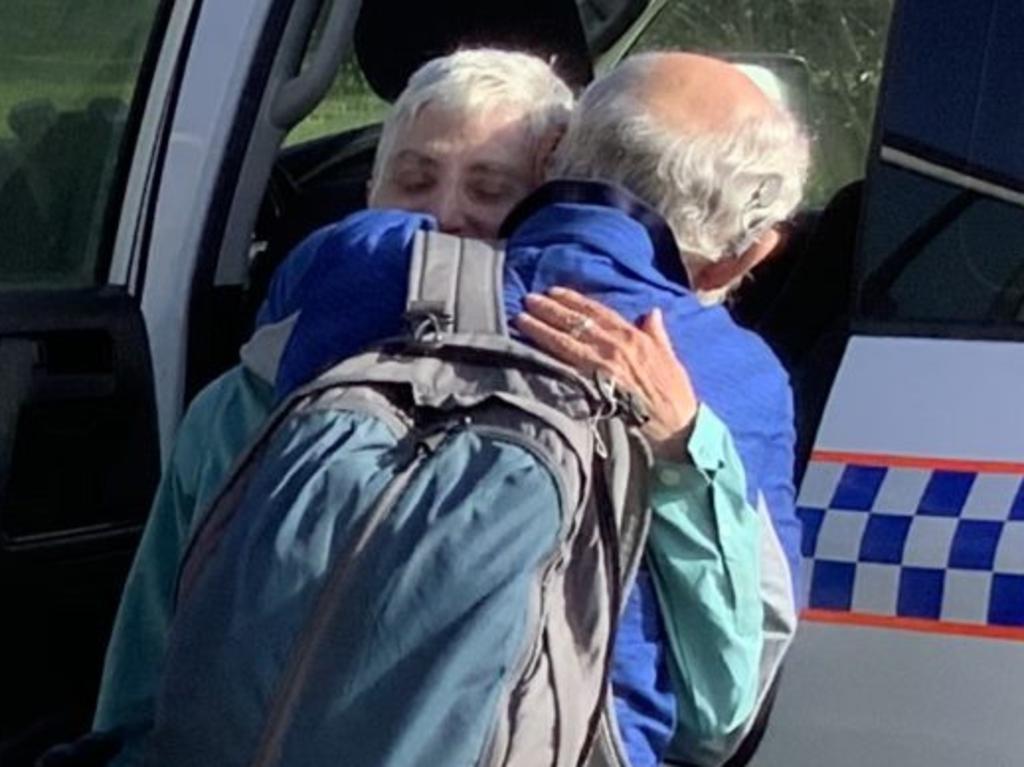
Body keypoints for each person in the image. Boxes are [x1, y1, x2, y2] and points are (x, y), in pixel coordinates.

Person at [93, 49, 792, 767]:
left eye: (490, 191)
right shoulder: (694, 381)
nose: (443, 218)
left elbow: (157, 669)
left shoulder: (298, 328)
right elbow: (719, 708)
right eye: (415, 179)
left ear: (555, 180)